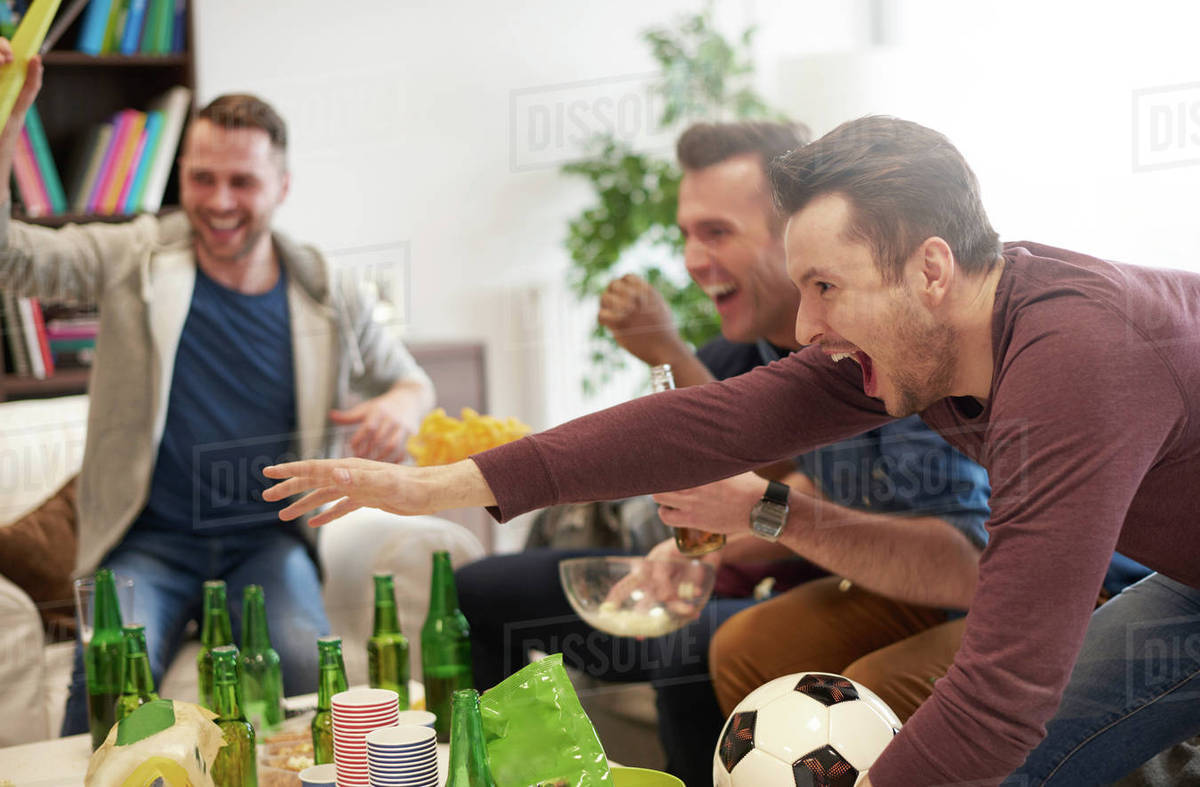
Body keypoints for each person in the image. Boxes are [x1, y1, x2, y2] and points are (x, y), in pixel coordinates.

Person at [266, 113, 1200, 785]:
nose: (807, 323)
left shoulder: (1076, 361)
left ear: (928, 268)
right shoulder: (930, 331)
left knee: (999, 738)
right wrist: (438, 484)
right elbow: (707, 426)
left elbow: (999, 689)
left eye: (827, 286)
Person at [454, 120, 992, 786]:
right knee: (483, 590)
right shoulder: (775, 347)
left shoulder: (894, 342)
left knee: (707, 644)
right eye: (686, 232)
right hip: (865, 574)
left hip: (967, 585)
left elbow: (946, 547)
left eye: (717, 231)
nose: (691, 257)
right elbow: (749, 459)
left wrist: (755, 513)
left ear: (796, 234)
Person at [0, 54, 434, 734]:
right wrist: (8, 121)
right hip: (147, 543)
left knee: (306, 682)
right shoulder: (136, 257)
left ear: (282, 185)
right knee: (114, 685)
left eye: (242, 181)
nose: (220, 201)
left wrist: (400, 405)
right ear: (182, 176)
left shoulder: (324, 288)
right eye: (203, 178)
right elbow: (12, 257)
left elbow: (412, 380)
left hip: (266, 543)